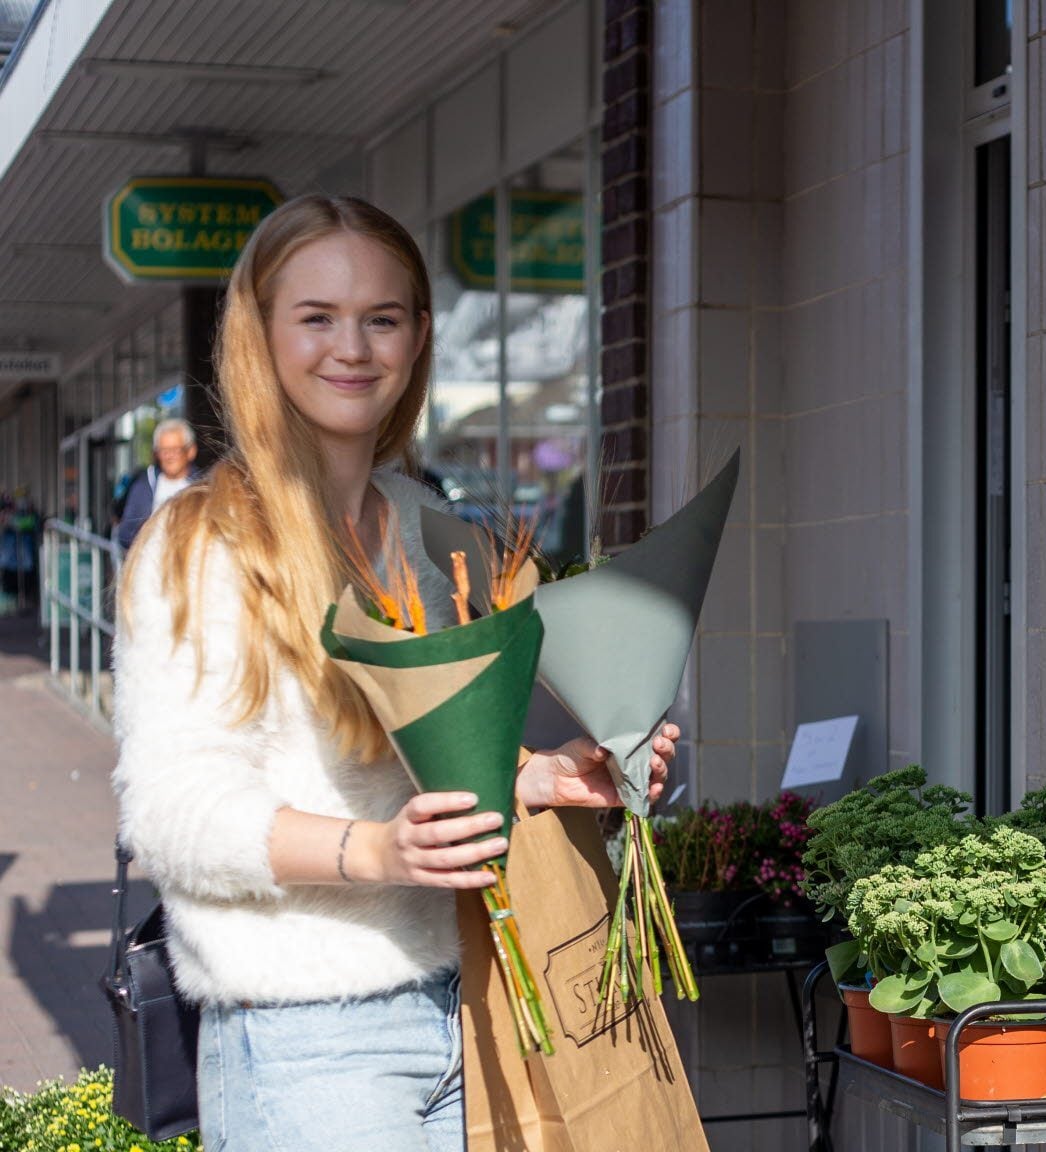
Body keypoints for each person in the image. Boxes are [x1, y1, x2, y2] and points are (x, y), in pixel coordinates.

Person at [111, 194, 679, 1152]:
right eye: (317, 317)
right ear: (259, 333)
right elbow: (171, 812)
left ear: (418, 336)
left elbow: (426, 767)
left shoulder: (429, 527)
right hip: (307, 1044)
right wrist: (375, 852)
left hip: (475, 1009)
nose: (353, 347)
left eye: (381, 318)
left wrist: (540, 778)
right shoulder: (202, 542)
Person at [114, 418, 201, 550]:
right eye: (164, 450)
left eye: (176, 450)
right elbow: (124, 534)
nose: (170, 456)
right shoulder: (143, 485)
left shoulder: (203, 487)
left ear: (191, 451)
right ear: (156, 454)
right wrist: (143, 531)